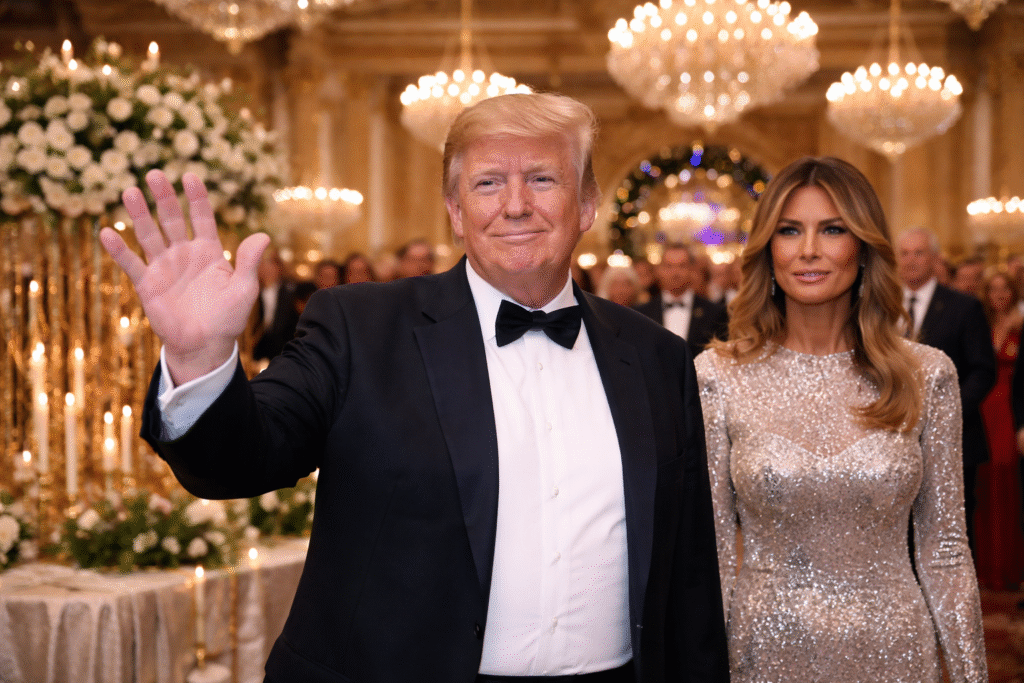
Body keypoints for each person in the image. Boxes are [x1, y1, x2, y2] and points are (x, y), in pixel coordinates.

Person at [99, 92, 728, 683]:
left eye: (542, 179)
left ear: (586, 205)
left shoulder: (658, 358)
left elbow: (689, 570)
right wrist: (201, 356)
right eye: (487, 183)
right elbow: (240, 461)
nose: (515, 205)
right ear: (455, 212)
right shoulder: (360, 326)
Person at [695, 156, 987, 683]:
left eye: (832, 229)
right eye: (790, 231)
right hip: (764, 653)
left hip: (896, 650)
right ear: (769, 249)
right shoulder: (717, 375)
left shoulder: (926, 374)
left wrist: (970, 674)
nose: (808, 250)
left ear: (863, 247)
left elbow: (945, 550)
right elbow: (712, 554)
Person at [896, 227, 996, 554]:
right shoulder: (879, 306)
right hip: (894, 441)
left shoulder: (963, 307)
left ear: (935, 258)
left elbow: (983, 370)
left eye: (918, 253)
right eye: (904, 253)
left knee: (951, 534)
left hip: (953, 438)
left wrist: (942, 412)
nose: (910, 261)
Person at [976, 271, 1024, 590]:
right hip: (983, 407)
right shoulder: (978, 326)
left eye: (1003, 289)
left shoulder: (1021, 327)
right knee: (984, 482)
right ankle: (987, 567)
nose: (998, 295)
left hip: (1011, 408)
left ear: (1012, 292)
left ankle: (1011, 566)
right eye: (992, 290)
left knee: (1009, 481)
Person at [634, 242, 729, 359]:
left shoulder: (714, 313)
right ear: (659, 270)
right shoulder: (641, 314)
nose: (675, 273)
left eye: (682, 266)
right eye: (669, 266)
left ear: (692, 270)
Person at [251, 247, 299, 361]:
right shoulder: (252, 292)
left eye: (271, 264)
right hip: (257, 351)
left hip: (283, 352)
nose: (267, 269)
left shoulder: (291, 292)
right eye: (262, 264)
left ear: (279, 267)